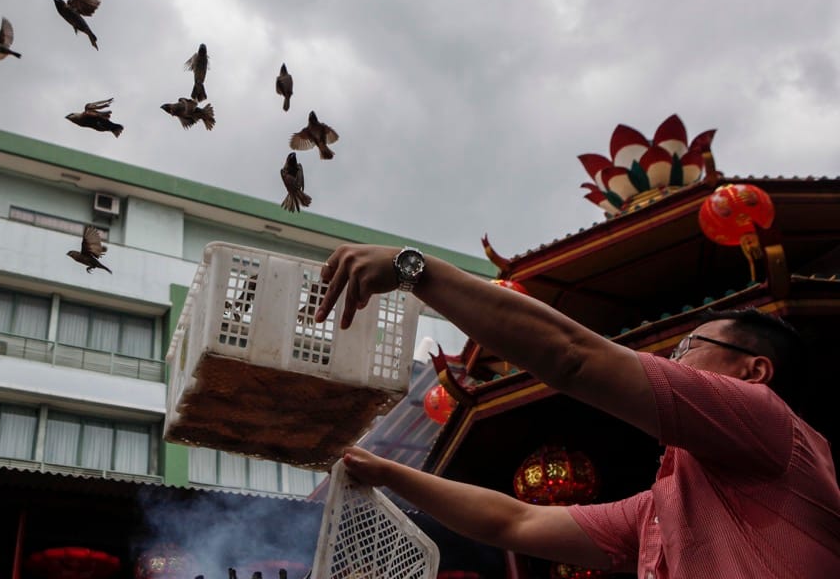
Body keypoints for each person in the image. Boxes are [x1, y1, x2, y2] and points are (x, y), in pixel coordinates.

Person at [315, 244, 840, 579]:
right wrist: (384, 471)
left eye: (687, 348)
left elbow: (572, 357)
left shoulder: (768, 421)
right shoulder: (661, 508)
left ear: (754, 371)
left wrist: (414, 271)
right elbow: (513, 520)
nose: (671, 362)